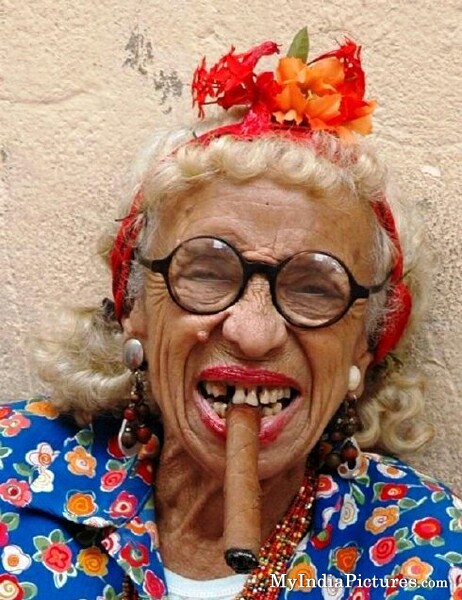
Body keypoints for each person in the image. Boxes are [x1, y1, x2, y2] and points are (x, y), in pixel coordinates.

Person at [0, 30, 461, 600]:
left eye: (314, 288)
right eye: (207, 272)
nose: (253, 332)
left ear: (365, 345)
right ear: (134, 306)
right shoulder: (13, 467)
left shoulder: (429, 555)